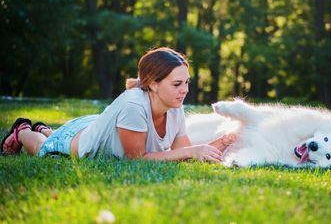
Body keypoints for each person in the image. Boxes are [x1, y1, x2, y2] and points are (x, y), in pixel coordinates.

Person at [1, 47, 236, 162]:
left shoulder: (175, 106)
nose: (185, 90)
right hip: (78, 140)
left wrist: (216, 145)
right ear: (153, 84)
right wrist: (192, 150)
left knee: (57, 133)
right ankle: (23, 132)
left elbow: (181, 151)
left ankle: (45, 128)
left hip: (98, 126)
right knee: (44, 148)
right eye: (177, 84)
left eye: (186, 82)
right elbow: (136, 159)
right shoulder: (134, 105)